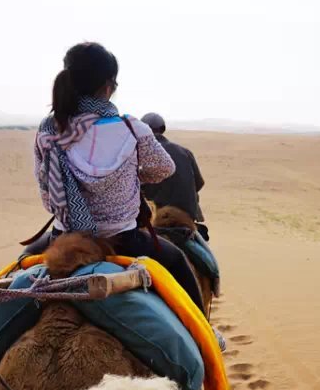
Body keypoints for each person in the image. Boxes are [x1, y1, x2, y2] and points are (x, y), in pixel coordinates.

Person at [32, 42, 206, 313]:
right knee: (178, 263)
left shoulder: (48, 131)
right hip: (125, 240)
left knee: (23, 261)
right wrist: (132, 176)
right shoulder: (132, 128)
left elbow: (47, 195)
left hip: (63, 238)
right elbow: (164, 169)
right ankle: (204, 339)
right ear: (109, 86)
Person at [139, 112, 208, 237]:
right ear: (163, 129)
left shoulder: (140, 153)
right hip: (187, 219)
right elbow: (199, 183)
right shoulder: (184, 152)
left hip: (157, 220)